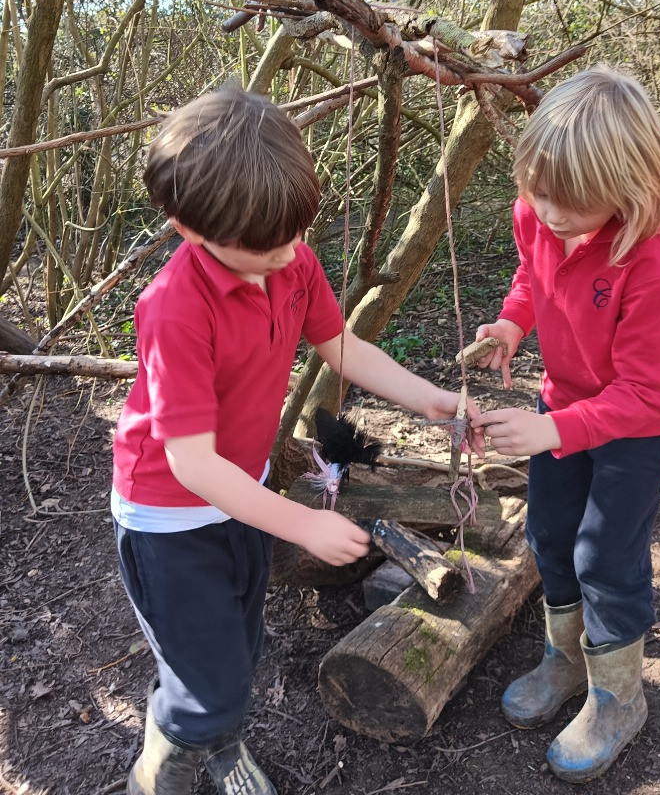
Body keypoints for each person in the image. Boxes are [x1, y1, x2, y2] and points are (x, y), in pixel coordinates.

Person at [112, 88, 481, 795]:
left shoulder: (290, 262)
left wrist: (427, 398)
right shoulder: (174, 308)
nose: (283, 257)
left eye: (290, 238)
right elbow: (189, 464)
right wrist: (303, 522)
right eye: (259, 248)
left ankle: (214, 737)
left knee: (236, 643)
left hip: (240, 496)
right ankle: (167, 760)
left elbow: (339, 345)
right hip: (168, 516)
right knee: (208, 677)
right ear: (185, 226)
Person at [469, 65, 660, 783]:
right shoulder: (535, 211)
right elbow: (532, 277)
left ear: (626, 189)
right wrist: (509, 324)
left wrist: (552, 432)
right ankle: (564, 662)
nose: (550, 214)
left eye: (572, 203)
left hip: (634, 427)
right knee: (549, 536)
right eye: (539, 192)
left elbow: (647, 393)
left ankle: (617, 697)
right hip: (561, 410)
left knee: (605, 556)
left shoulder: (651, 257)